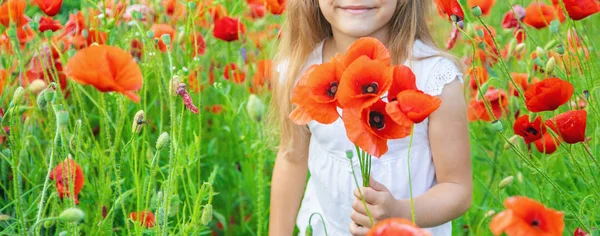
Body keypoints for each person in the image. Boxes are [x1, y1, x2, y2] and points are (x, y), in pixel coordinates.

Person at [268, 1, 472, 235]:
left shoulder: (433, 78)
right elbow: (292, 160)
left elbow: (457, 189)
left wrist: (400, 211)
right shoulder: (300, 70)